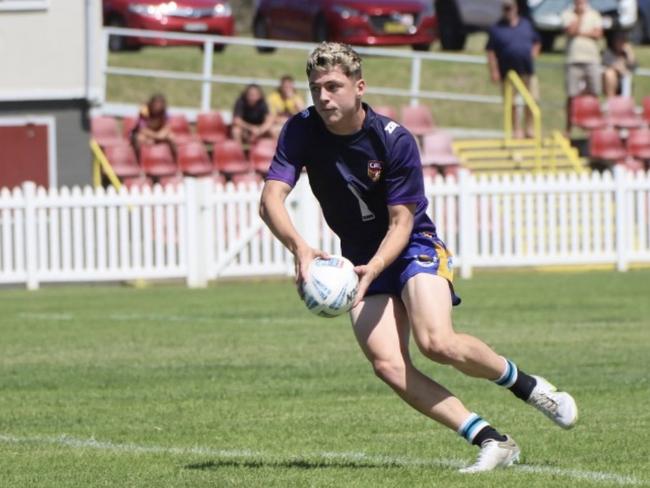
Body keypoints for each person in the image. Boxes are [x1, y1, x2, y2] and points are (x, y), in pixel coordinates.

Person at [259, 42, 578, 473]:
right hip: (358, 259)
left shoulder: (393, 140)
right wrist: (300, 247)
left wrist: (374, 268)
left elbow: (401, 223)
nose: (323, 96)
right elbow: (270, 200)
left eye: (333, 86)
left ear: (359, 87)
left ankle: (530, 387)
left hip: (412, 247)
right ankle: (492, 440)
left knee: (437, 342)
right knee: (389, 365)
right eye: (316, 88)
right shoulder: (300, 129)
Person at [486, 0, 541, 138]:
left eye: (510, 7)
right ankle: (515, 130)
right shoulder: (496, 28)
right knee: (512, 104)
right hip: (508, 73)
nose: (508, 11)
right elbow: (490, 51)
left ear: (516, 8)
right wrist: (494, 71)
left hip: (527, 71)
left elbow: (537, 41)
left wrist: (533, 53)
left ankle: (529, 129)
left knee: (533, 100)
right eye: (505, 8)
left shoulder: (526, 24)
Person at [562, 0, 604, 133]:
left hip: (592, 59)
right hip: (573, 60)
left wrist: (580, 33)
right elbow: (571, 31)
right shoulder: (567, 14)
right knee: (571, 95)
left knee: (594, 94)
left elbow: (598, 34)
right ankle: (568, 129)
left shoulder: (594, 14)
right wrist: (580, 18)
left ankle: (593, 128)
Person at [131, 93, 176, 158]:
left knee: (172, 137)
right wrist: (156, 136)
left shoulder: (164, 113)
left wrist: (159, 135)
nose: (157, 106)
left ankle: (175, 160)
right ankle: (138, 160)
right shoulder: (144, 111)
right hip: (146, 134)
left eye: (160, 104)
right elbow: (142, 129)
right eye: (156, 104)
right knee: (139, 138)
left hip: (158, 134)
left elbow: (167, 127)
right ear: (151, 103)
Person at [602, 30, 637, 98]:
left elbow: (633, 66)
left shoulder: (626, 53)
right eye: (619, 40)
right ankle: (611, 101)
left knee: (626, 77)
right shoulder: (608, 52)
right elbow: (610, 64)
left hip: (624, 80)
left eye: (623, 41)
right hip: (609, 81)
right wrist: (621, 68)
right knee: (610, 73)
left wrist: (629, 53)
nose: (621, 43)